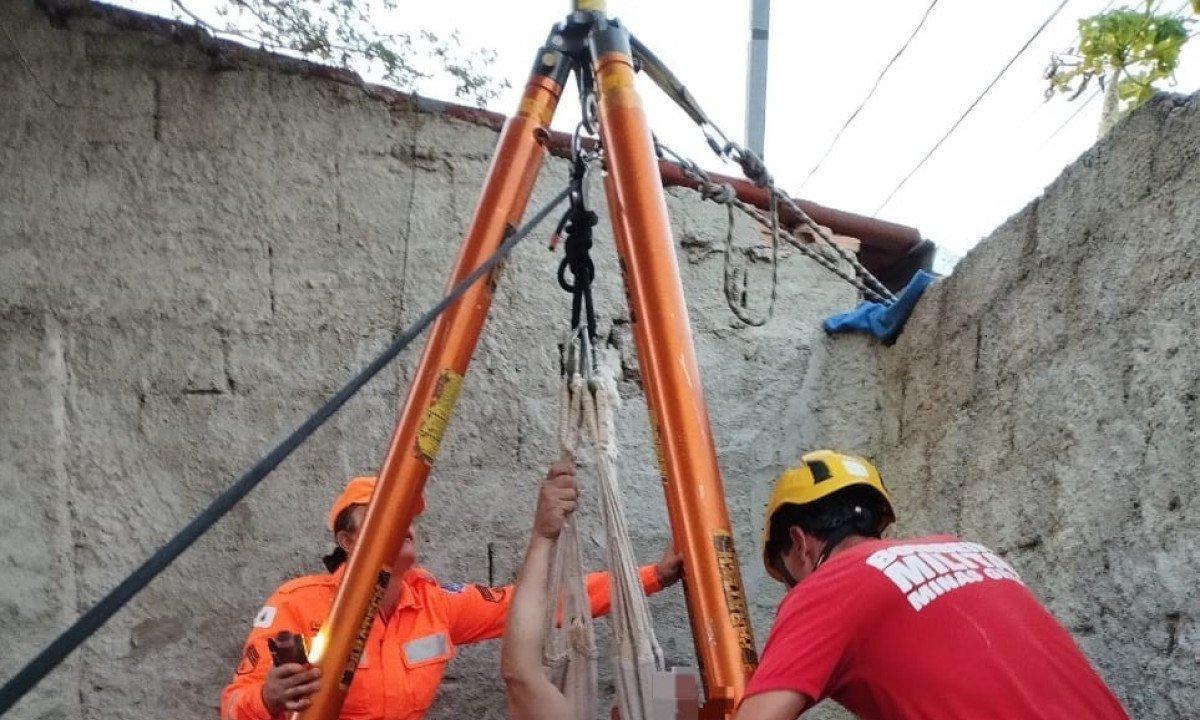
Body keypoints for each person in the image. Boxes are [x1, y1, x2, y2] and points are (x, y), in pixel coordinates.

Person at [220, 471, 682, 720]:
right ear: (346, 541)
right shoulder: (297, 604)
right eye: (382, 516)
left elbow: (536, 605)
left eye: (405, 514)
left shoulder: (433, 602)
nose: (402, 524)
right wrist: (266, 699)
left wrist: (652, 577)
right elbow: (234, 703)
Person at [735, 449, 1130, 720]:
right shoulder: (967, 551)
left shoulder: (830, 586)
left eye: (788, 578)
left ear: (800, 543)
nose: (793, 590)